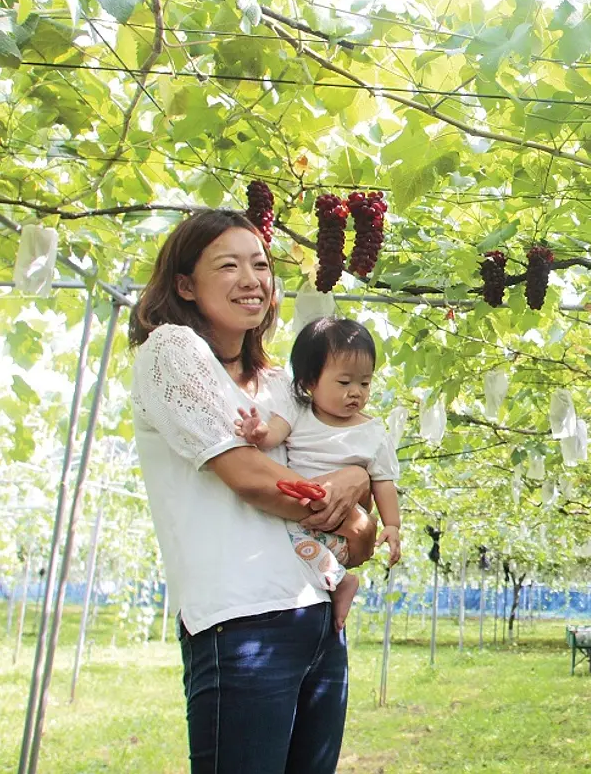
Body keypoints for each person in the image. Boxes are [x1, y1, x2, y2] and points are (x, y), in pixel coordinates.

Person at [128, 209, 376, 774]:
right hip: (240, 621)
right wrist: (353, 514)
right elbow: (251, 479)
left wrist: (356, 485)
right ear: (185, 284)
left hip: (317, 620)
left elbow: (354, 476)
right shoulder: (171, 351)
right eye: (229, 265)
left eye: (260, 265)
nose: (252, 279)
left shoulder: (280, 387)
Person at [235, 316, 404, 632]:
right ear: (310, 381)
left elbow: (383, 482)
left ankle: (339, 582)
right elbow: (272, 434)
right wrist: (256, 432)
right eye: (344, 383)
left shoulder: (372, 432)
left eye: (364, 383)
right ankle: (339, 579)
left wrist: (392, 525)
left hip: (340, 520)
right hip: (303, 516)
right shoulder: (298, 413)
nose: (356, 392)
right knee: (280, 538)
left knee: (289, 541)